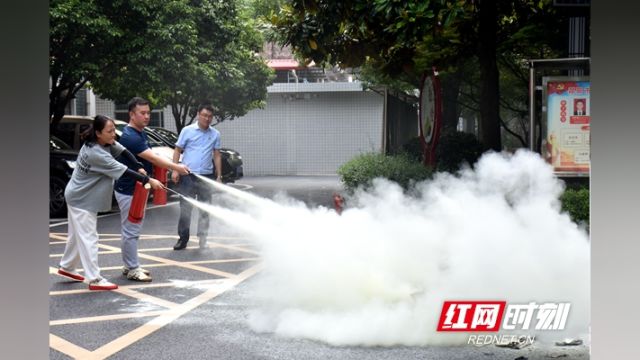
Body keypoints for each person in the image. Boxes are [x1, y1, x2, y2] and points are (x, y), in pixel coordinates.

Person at [57, 115, 163, 290]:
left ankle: (67, 267)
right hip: (82, 199)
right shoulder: (96, 153)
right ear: (98, 133)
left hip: (77, 195)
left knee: (77, 236)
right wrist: (148, 180)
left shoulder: (104, 141)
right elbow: (124, 171)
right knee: (89, 238)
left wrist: (138, 165)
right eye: (110, 131)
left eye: (114, 129)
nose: (114, 134)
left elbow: (124, 151)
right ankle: (95, 279)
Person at [114, 97, 190, 282]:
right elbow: (153, 159)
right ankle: (132, 268)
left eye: (148, 113)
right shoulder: (131, 136)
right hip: (129, 189)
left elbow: (152, 157)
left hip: (136, 188)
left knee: (130, 228)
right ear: (132, 114)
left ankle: (129, 265)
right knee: (132, 229)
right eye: (143, 113)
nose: (147, 116)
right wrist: (177, 167)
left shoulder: (140, 133)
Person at [171, 104, 223, 250]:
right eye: (204, 115)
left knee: (205, 209)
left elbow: (217, 155)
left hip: (206, 176)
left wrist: (219, 176)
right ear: (198, 115)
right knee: (185, 208)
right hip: (188, 175)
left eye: (210, 116)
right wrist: (175, 170)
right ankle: (183, 239)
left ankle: (203, 239)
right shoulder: (187, 131)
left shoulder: (215, 134)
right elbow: (177, 150)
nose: (207, 119)